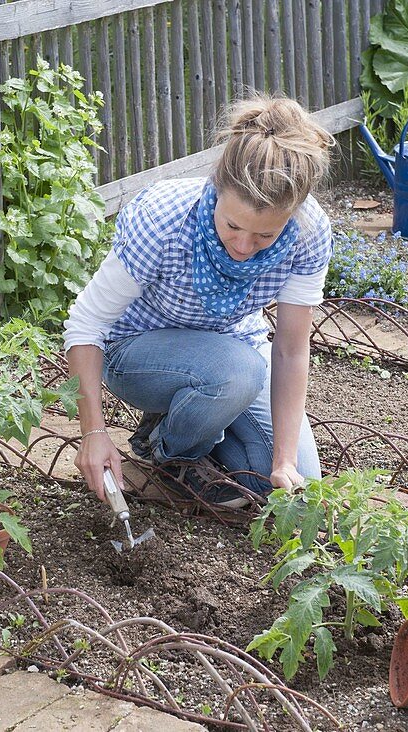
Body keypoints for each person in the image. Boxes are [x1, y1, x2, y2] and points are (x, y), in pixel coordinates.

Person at [63, 94, 335, 509]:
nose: (244, 246)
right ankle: (169, 452)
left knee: (292, 491)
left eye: (265, 236)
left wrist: (283, 460)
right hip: (138, 351)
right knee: (237, 371)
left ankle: (193, 424)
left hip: (233, 349)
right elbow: (86, 324)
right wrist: (93, 435)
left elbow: (291, 349)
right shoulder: (164, 218)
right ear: (217, 189)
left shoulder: (308, 232)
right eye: (233, 225)